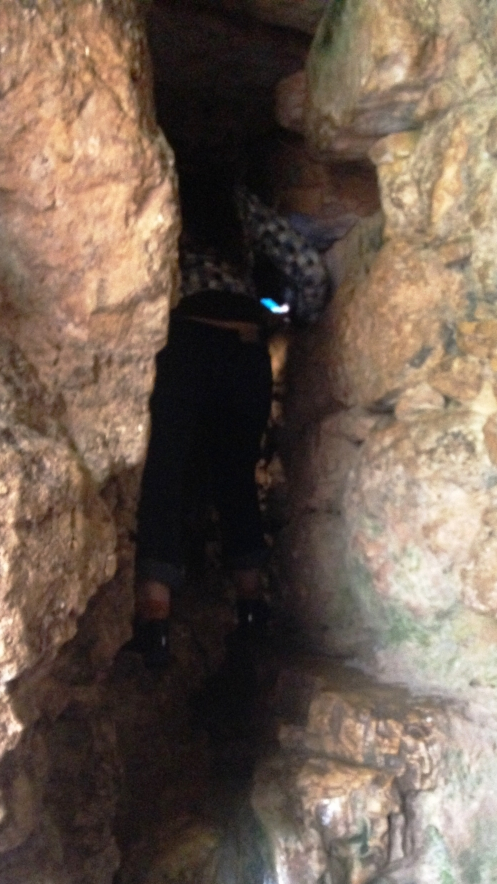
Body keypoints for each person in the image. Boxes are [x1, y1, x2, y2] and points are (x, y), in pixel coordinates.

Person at [128, 173, 329, 668]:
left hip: (185, 345)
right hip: (244, 351)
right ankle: (251, 608)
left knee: (165, 474)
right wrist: (297, 318)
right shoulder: (236, 200)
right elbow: (306, 267)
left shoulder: (149, 191)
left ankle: (155, 621)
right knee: (236, 477)